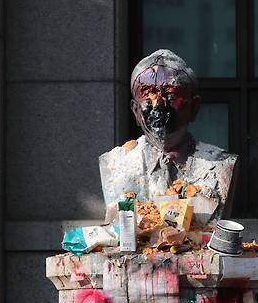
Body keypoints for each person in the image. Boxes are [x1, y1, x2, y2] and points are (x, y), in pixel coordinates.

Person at [99, 49, 238, 225]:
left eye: (170, 95)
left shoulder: (220, 165)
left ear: (193, 108)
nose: (158, 103)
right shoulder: (114, 164)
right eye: (148, 94)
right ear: (135, 110)